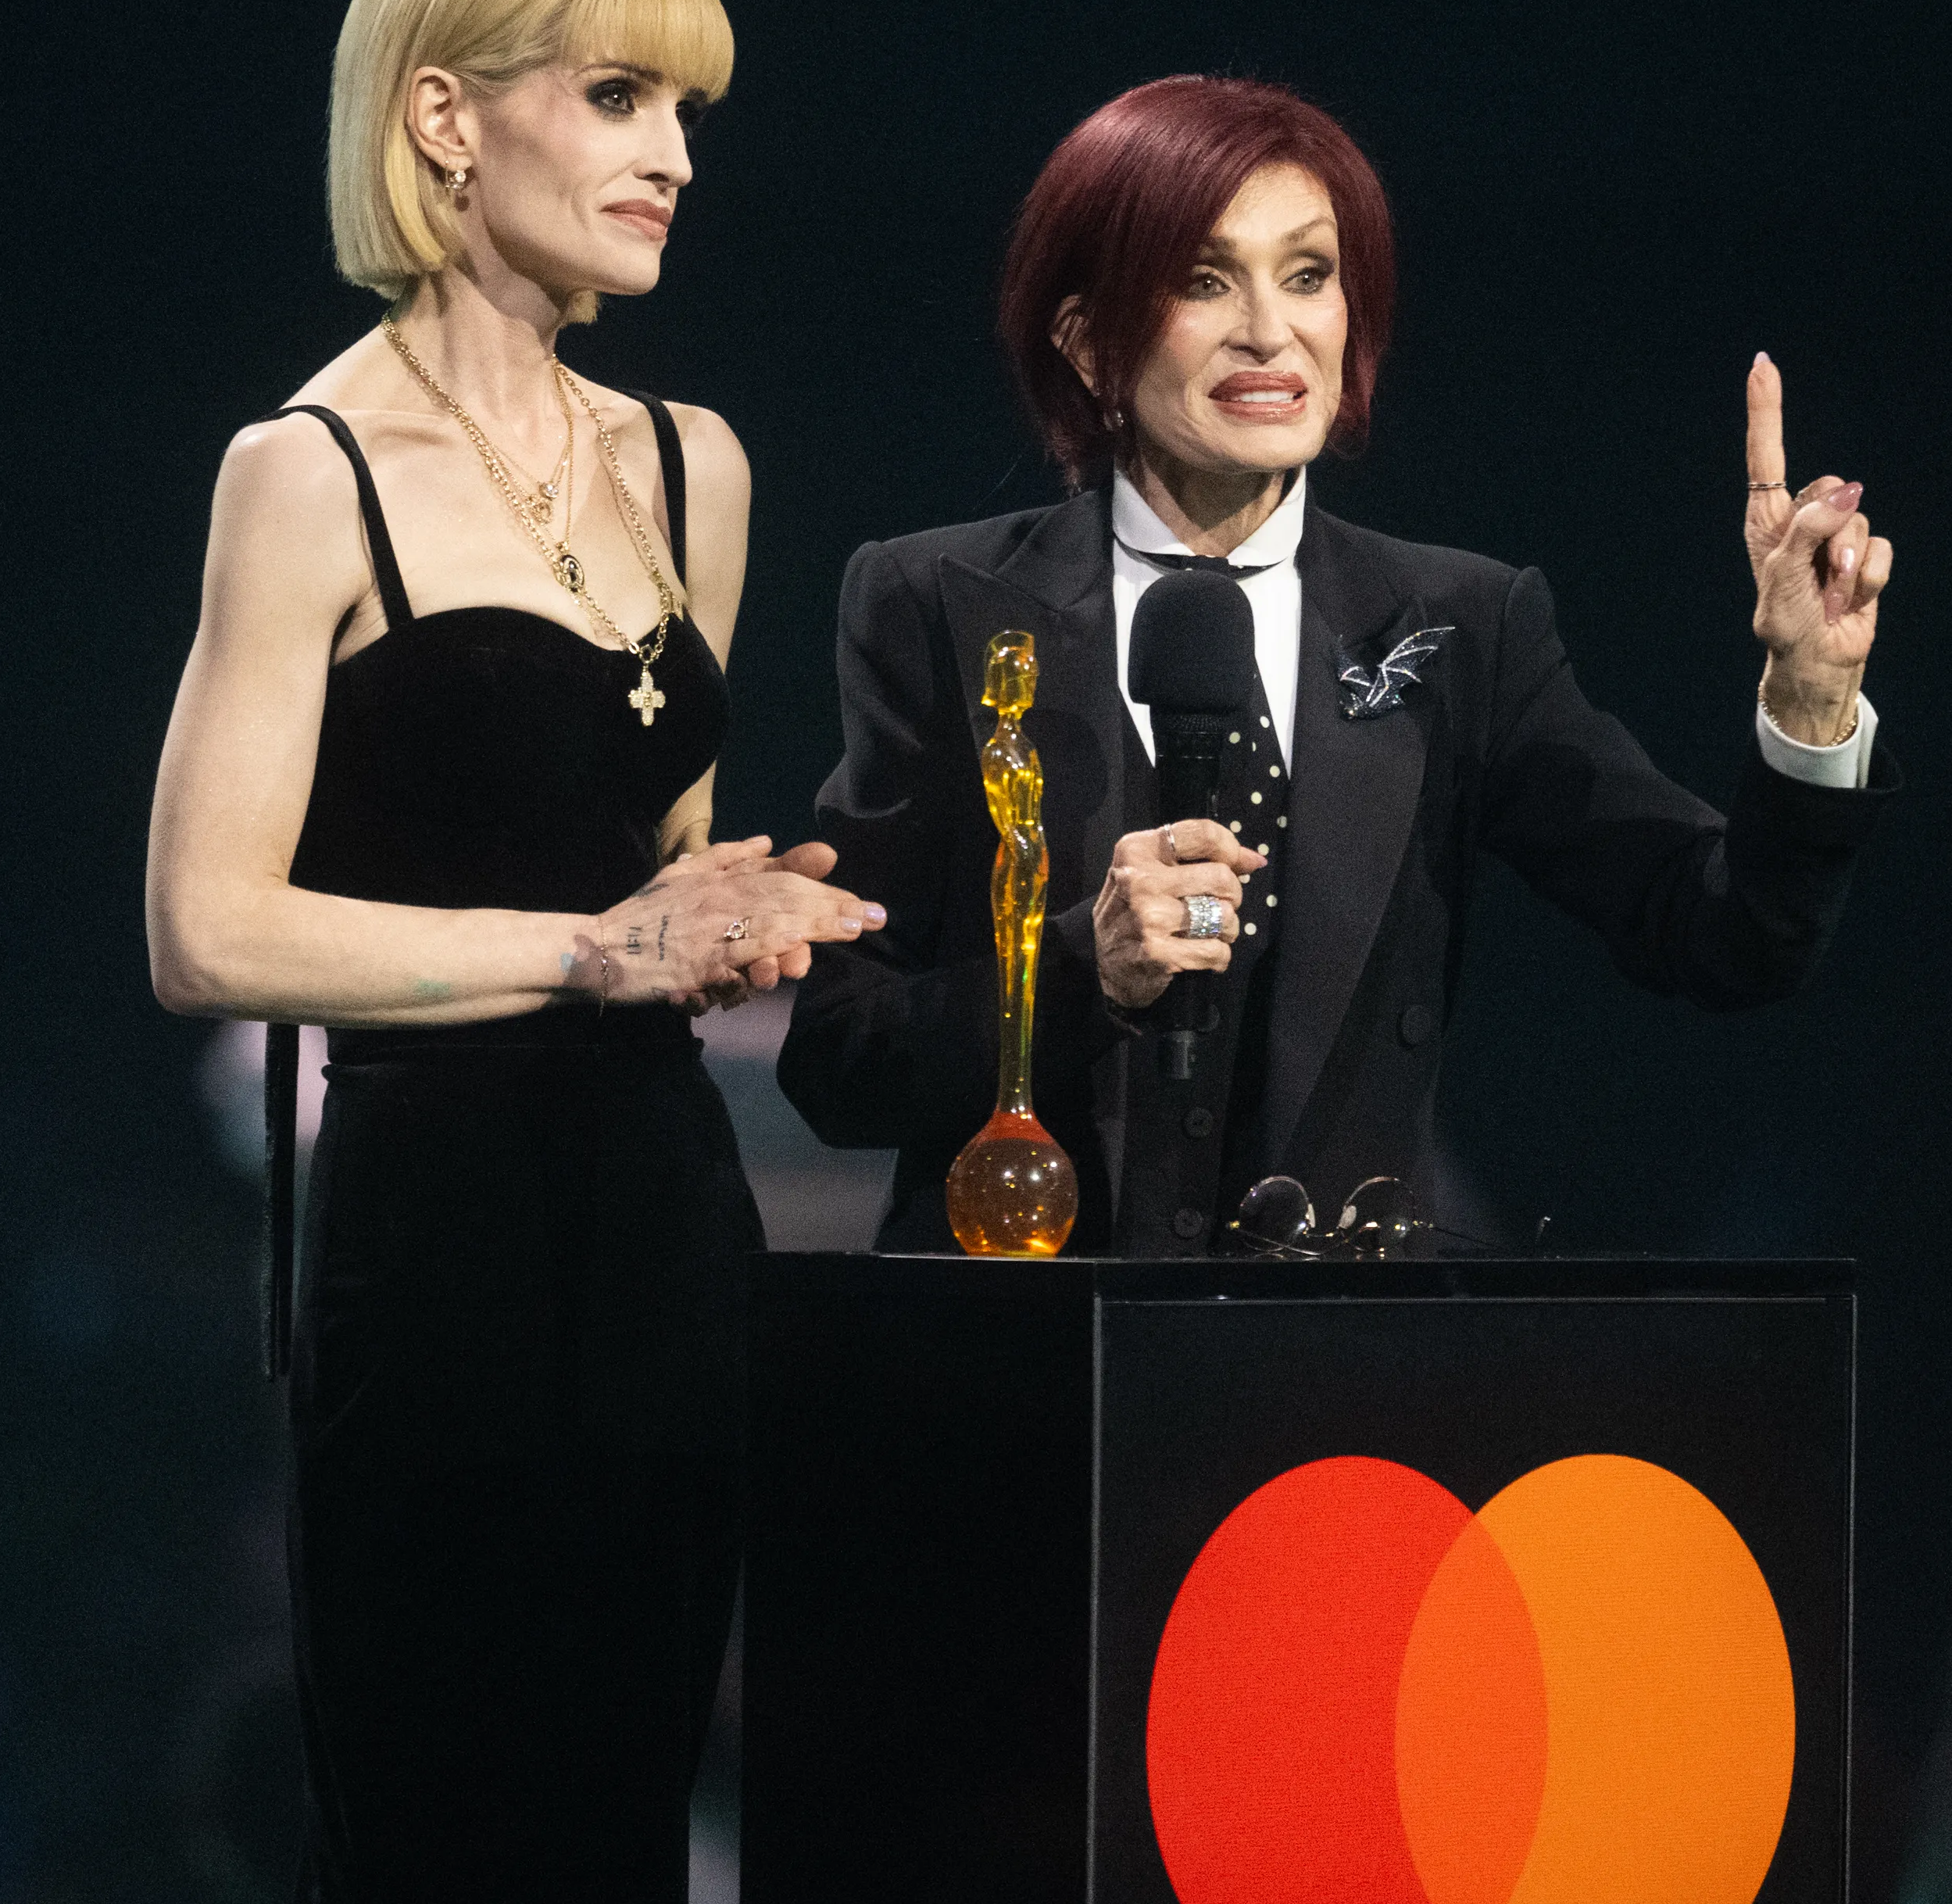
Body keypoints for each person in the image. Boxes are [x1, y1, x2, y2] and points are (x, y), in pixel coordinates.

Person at [145, 0, 882, 1904]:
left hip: (661, 1236)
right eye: (624, 97)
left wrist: (747, 910)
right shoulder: (305, 475)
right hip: (428, 1249)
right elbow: (206, 929)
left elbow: (661, 899)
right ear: (448, 122)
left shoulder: (693, 469)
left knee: (618, 1867)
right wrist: (593, 950)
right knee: (432, 1875)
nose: (677, 156)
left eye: (690, 112)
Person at [778, 75, 1896, 1255]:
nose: (1272, 329)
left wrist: (1809, 708)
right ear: (1090, 342)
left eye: (1309, 275)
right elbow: (840, 1060)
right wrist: (1078, 967)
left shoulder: (1466, 623)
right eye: (1203, 280)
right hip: (1023, 1365)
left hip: (1328, 1377)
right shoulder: (933, 601)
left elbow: (1724, 936)